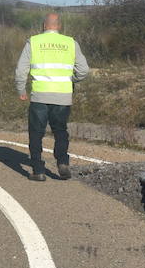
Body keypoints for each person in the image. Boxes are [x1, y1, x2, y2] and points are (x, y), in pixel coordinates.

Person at [16, 13, 91, 181]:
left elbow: (21, 70)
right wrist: (72, 79)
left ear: (44, 26)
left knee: (36, 133)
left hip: (40, 96)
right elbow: (84, 70)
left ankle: (38, 170)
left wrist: (21, 89)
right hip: (63, 96)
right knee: (60, 131)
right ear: (59, 26)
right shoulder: (70, 43)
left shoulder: (33, 42)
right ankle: (62, 162)